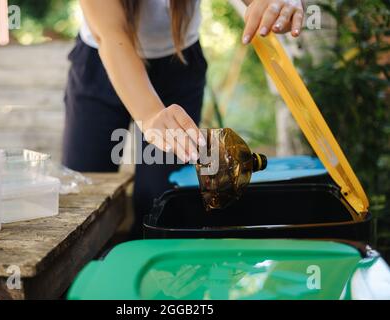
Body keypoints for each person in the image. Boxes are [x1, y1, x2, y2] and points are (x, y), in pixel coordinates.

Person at [62, 0, 304, 238]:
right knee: (80, 197)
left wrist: (281, 3)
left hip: (178, 67)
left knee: (160, 206)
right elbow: (110, 34)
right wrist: (150, 115)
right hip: (102, 65)